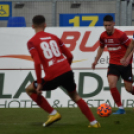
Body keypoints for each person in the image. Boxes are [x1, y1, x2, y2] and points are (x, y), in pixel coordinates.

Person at [26, 15, 100, 128]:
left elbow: (37, 63)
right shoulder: (54, 37)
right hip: (66, 71)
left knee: (30, 89)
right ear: (45, 25)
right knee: (75, 96)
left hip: (52, 75)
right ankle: (94, 122)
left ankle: (53, 114)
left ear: (32, 26)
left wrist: (40, 83)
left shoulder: (32, 42)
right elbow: (70, 55)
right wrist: (65, 68)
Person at [92, 15, 134, 114]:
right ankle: (121, 108)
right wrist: (96, 60)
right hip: (113, 64)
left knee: (129, 89)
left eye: (109, 25)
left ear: (113, 24)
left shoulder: (121, 35)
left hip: (124, 65)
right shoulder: (103, 36)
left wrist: (127, 59)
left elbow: (131, 47)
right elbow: (101, 47)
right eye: (105, 25)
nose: (107, 27)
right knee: (112, 84)